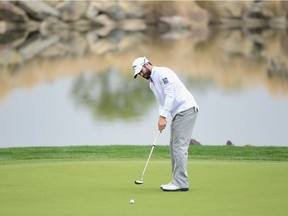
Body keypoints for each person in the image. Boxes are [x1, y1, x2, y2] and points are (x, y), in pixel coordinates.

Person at [132, 56, 199, 192]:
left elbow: (170, 95)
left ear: (147, 64)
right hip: (178, 113)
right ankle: (178, 181)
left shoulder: (163, 73)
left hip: (185, 109)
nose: (141, 74)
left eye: (141, 71)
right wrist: (161, 118)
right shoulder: (152, 83)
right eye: (138, 73)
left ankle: (181, 182)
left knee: (179, 146)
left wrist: (164, 116)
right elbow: (162, 102)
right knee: (174, 146)